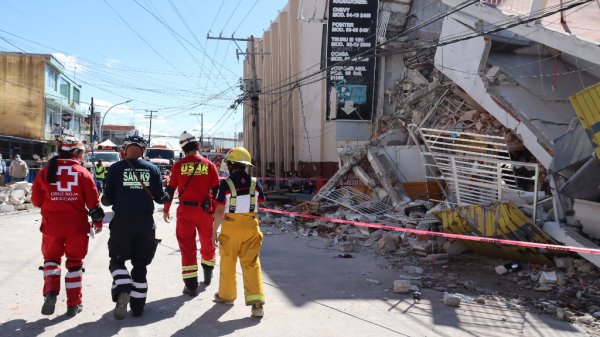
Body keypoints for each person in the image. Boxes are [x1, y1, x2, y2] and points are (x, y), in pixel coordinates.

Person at [31, 137, 104, 317]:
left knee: (51, 261)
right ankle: (73, 304)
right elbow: (94, 205)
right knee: (74, 265)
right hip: (76, 228)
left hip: (51, 227)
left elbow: (36, 201)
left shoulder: (46, 171)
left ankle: (50, 292)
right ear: (76, 153)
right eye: (82, 152)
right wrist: (98, 223)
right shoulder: (83, 173)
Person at [102, 130, 170, 320]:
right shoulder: (153, 169)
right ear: (143, 149)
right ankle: (138, 308)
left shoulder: (115, 169)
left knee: (116, 261)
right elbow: (161, 199)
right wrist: (169, 192)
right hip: (145, 225)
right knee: (140, 267)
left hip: (122, 224)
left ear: (125, 148)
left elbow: (107, 201)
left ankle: (123, 288)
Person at [163, 131, 220, 296]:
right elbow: (217, 192)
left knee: (187, 248)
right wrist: (215, 211)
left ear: (183, 148)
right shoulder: (209, 165)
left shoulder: (178, 166)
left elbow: (170, 190)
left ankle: (191, 285)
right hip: (205, 211)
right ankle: (208, 275)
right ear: (198, 146)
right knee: (207, 243)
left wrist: (166, 209)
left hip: (185, 212)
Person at [212, 147, 266, 318]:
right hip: (251, 226)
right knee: (251, 264)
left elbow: (220, 210)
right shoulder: (255, 182)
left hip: (231, 227)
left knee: (228, 263)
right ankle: (257, 305)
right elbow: (260, 203)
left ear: (232, 164)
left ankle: (226, 296)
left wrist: (214, 230)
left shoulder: (225, 183)